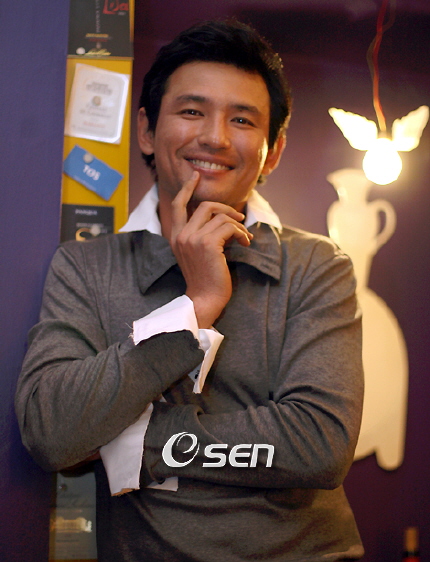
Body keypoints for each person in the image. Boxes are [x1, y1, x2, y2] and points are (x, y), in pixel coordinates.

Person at [16, 19, 364, 561]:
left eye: (242, 119)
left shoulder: (317, 265)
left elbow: (319, 445)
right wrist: (194, 306)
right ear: (147, 130)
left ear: (272, 151)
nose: (216, 138)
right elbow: (51, 432)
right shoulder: (86, 266)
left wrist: (138, 440)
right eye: (192, 111)